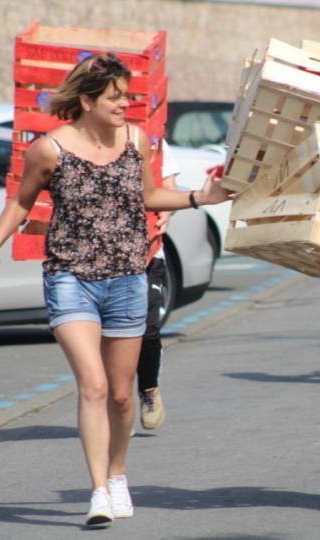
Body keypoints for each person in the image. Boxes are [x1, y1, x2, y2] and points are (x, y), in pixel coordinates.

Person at [0, 52, 230, 528]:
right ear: (88, 100)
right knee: (91, 385)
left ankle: (117, 475)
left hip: (129, 278)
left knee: (119, 395)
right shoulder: (49, 149)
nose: (125, 106)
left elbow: (150, 197)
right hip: (70, 279)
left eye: (128, 97)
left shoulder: (136, 140)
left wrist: (200, 197)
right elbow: (21, 204)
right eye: (116, 98)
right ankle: (97, 490)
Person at [136, 139, 181, 430]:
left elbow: (169, 189)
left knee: (148, 328)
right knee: (106, 334)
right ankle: (116, 402)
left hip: (149, 253)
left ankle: (149, 389)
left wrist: (167, 210)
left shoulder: (152, 138)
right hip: (100, 260)